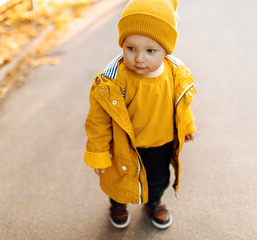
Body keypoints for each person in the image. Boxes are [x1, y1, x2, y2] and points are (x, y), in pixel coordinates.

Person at [84, 0, 196, 229]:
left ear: (166, 50)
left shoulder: (174, 74)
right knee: (119, 181)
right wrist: (99, 152)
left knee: (157, 180)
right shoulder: (112, 81)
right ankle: (118, 204)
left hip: (161, 144)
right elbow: (98, 120)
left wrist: (188, 125)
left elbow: (181, 103)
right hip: (125, 146)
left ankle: (153, 203)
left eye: (150, 50)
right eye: (131, 48)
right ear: (122, 45)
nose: (139, 58)